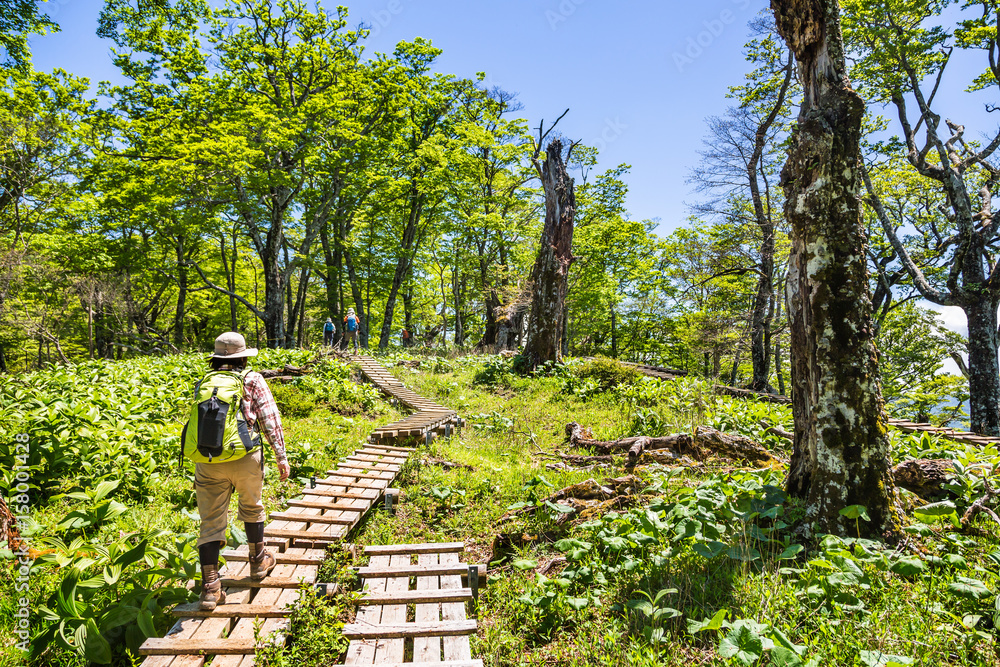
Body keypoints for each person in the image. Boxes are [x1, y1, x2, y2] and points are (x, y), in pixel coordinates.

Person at [189, 332, 291, 610]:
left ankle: (210, 588)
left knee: (210, 521)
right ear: (242, 356)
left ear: (217, 357)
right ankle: (258, 563)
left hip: (208, 458)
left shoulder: (204, 382)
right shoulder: (252, 379)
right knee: (251, 505)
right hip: (246, 455)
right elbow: (270, 419)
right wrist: (281, 456)